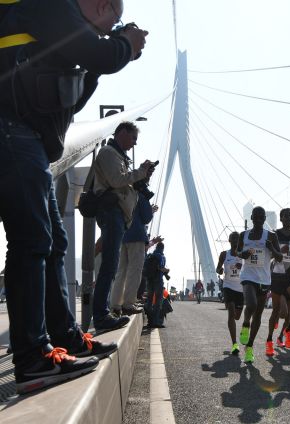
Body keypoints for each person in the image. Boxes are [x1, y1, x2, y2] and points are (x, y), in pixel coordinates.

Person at [0, 0, 147, 393]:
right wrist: (125, 46)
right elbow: (97, 51)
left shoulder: (56, 28)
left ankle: (63, 337)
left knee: (53, 241)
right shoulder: (48, 5)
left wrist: (103, 58)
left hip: (29, 139)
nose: (109, 29)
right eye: (112, 20)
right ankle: (32, 356)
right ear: (100, 5)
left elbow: (73, 98)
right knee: (32, 241)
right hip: (12, 132)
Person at [93, 121, 155, 331]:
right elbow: (117, 180)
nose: (134, 144)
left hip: (119, 216)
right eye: (133, 139)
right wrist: (140, 172)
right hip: (112, 213)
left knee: (114, 266)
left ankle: (107, 310)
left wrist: (141, 176)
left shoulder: (117, 156)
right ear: (122, 132)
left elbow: (123, 182)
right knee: (111, 266)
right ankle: (102, 315)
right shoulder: (109, 153)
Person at [237, 206, 282, 363]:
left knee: (259, 314)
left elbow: (280, 257)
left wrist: (271, 248)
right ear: (251, 217)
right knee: (251, 304)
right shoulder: (244, 235)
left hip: (264, 279)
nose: (258, 219)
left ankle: (249, 347)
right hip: (248, 275)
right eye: (255, 216)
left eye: (261, 217)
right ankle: (245, 323)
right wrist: (242, 254)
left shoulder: (271, 236)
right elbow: (238, 252)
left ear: (264, 219)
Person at [110, 188, 156, 316]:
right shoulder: (140, 196)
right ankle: (128, 304)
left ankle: (115, 304)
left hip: (123, 235)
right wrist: (150, 208)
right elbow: (146, 218)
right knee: (134, 271)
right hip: (137, 236)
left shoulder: (123, 193)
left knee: (121, 272)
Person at [267, 208, 290, 356]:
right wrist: (281, 249)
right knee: (280, 313)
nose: (288, 218)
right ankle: (269, 341)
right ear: (281, 219)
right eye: (285, 216)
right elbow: (271, 254)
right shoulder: (275, 234)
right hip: (278, 274)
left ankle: (286, 332)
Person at [216, 232, 244, 355]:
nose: (235, 241)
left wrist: (242, 267)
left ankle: (243, 329)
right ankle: (234, 344)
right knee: (231, 312)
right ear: (229, 240)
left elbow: (251, 268)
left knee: (237, 316)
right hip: (228, 286)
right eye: (233, 239)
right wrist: (220, 270)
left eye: (237, 239)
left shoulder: (244, 255)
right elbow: (218, 268)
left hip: (241, 288)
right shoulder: (224, 254)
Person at [146, 242, 170, 328]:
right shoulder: (161, 256)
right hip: (158, 281)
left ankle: (149, 321)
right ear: (163, 248)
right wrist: (167, 271)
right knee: (158, 302)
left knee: (149, 300)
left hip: (149, 280)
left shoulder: (150, 255)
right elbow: (160, 268)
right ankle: (156, 321)